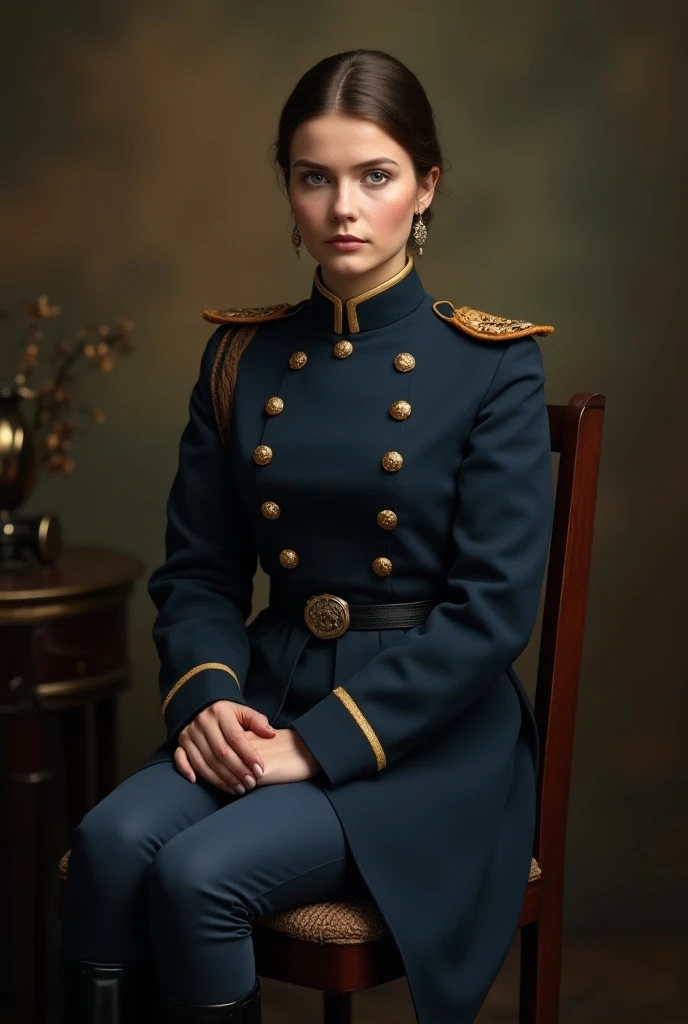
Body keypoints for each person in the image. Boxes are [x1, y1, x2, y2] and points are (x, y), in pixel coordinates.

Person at [60, 47, 555, 1024]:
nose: (342, 207)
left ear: (425, 187)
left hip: (425, 733)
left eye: (374, 175)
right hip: (264, 691)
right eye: (312, 176)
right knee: (111, 843)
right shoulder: (241, 355)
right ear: (286, 187)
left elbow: (491, 611)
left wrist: (320, 746)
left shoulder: (491, 367)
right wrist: (207, 699)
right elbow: (200, 572)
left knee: (200, 874)